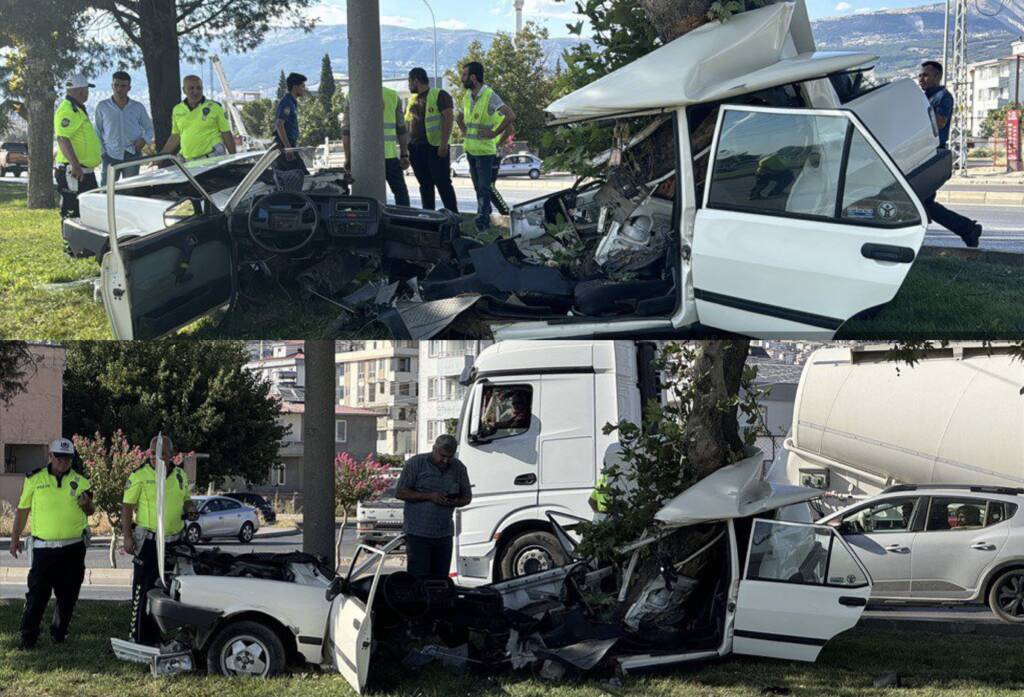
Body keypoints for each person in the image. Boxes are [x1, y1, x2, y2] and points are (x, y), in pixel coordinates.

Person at [10, 438, 94, 650]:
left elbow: (91, 510)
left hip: (73, 548)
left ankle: (59, 633)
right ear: (50, 456)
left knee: (68, 595)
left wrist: (87, 506)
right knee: (37, 594)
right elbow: (22, 510)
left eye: (67, 459)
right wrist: (14, 538)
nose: (63, 462)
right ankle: (28, 637)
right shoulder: (34, 479)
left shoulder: (81, 481)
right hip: (43, 549)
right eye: (59, 457)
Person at [121, 435, 197, 645]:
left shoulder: (180, 475)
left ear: (172, 455)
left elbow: (186, 500)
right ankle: (139, 638)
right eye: (153, 453)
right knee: (144, 589)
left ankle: (164, 635)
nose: (156, 457)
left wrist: (190, 508)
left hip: (175, 542)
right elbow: (127, 507)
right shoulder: (139, 475)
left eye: (162, 453)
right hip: (149, 541)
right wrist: (127, 536)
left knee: (171, 591)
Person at [918, 60, 982, 247]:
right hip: (922, 152)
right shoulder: (925, 97)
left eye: (926, 75)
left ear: (938, 76)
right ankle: (967, 229)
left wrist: (921, 110)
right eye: (920, 75)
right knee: (923, 202)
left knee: (921, 201)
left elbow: (940, 123)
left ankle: (967, 229)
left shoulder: (943, 97)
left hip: (934, 152)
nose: (921, 78)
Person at [395, 435, 472, 579]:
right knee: (419, 581)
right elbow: (400, 492)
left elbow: (467, 498)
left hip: (443, 534)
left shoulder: (458, 468)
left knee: (440, 581)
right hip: (418, 534)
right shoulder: (416, 463)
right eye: (442, 456)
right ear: (434, 449)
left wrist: (453, 501)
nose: (445, 461)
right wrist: (430, 496)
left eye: (450, 457)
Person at [457, 61, 515, 232]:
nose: (462, 78)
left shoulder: (490, 96)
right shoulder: (467, 97)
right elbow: (459, 118)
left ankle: (482, 222)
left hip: (485, 153)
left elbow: (511, 116)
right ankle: (489, 216)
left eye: (465, 75)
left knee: (484, 187)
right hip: (471, 150)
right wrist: (463, 130)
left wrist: (495, 134)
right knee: (479, 187)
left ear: (474, 78)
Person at [343, 86, 411, 206]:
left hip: (363, 158)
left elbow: (346, 131)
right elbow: (401, 130)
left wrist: (348, 158)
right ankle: (404, 221)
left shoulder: (352, 95)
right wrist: (404, 154)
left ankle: (365, 223)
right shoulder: (392, 96)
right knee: (400, 192)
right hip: (389, 156)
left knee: (363, 195)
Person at [405, 67, 458, 212]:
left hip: (435, 148)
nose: (409, 86)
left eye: (409, 82)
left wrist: (443, 144)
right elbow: (408, 124)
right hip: (416, 149)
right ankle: (429, 217)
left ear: (416, 80)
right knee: (425, 185)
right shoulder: (413, 100)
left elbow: (448, 118)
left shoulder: (439, 94)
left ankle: (453, 217)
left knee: (443, 183)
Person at [54, 74, 102, 218]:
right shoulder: (68, 110)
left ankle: (83, 239)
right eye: (87, 90)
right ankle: (70, 239)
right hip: (74, 171)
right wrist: (75, 165)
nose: (87, 93)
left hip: (83, 171)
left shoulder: (77, 108)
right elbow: (63, 138)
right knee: (72, 210)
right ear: (81, 91)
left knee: (88, 210)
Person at [94, 71, 154, 185]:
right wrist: (103, 152)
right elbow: (97, 131)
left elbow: (149, 128)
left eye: (123, 86)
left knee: (131, 189)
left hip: (132, 153)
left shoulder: (138, 107)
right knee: (106, 190)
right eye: (116, 85)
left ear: (129, 88)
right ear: (112, 85)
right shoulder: (102, 106)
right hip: (110, 155)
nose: (119, 89)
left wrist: (144, 140)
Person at [160, 75, 236, 162]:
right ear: (184, 90)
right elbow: (176, 135)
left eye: (199, 88)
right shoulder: (177, 109)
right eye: (191, 88)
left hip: (212, 157)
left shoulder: (215, 107)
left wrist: (233, 157)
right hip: (187, 160)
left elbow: (226, 132)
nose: (195, 91)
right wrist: (161, 157)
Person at [274, 72, 308, 172]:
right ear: (295, 87)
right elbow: (279, 124)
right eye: (302, 86)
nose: (304, 89)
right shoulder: (287, 103)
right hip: (286, 145)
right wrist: (288, 148)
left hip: (289, 144)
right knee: (302, 175)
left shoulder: (292, 102)